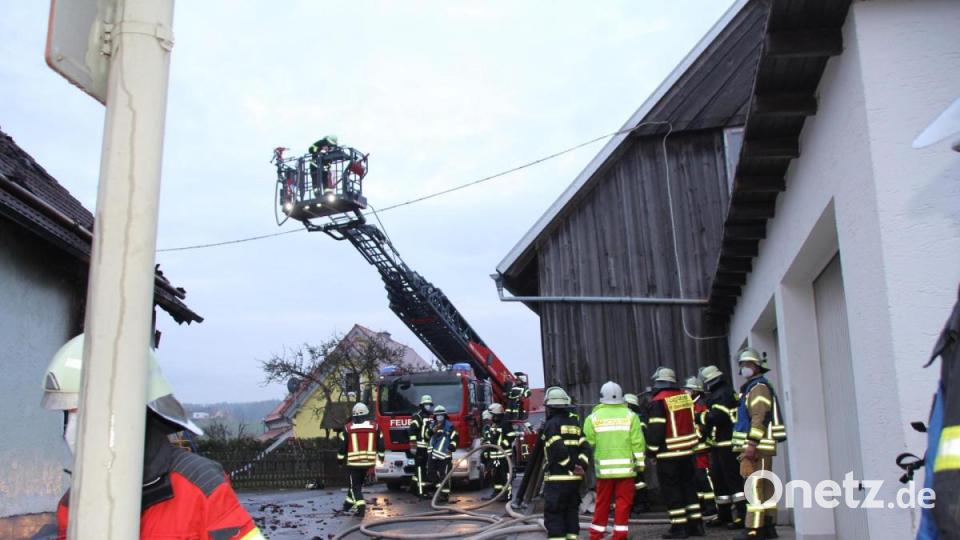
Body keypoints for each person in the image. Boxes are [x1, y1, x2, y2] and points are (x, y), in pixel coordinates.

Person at [42, 334, 264, 540]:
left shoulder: (199, 484)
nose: (74, 427)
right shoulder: (74, 503)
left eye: (88, 413)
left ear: (136, 414)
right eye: (69, 414)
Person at [732, 348, 786, 540]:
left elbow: (759, 417)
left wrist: (751, 444)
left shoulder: (758, 388)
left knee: (754, 486)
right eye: (742, 365)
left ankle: (753, 529)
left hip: (757, 446)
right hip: (760, 445)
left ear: (756, 367)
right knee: (764, 486)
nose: (744, 368)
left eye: (747, 365)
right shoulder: (755, 387)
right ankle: (768, 526)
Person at [583, 381, 646, 540]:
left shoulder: (593, 418)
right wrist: (640, 465)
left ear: (602, 397)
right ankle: (619, 536)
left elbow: (588, 442)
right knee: (623, 504)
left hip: (604, 473)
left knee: (602, 504)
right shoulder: (631, 416)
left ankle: (596, 535)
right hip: (626, 471)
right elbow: (638, 443)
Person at [647, 367, 703, 538]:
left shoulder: (659, 400)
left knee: (672, 491)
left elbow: (656, 429)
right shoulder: (684, 398)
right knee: (689, 488)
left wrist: (651, 452)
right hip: (687, 452)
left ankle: (679, 527)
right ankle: (696, 526)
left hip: (668, 454)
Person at [698, 364, 747, 529]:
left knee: (733, 480)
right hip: (719, 444)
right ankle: (724, 514)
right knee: (719, 479)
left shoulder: (723, 394)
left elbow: (718, 417)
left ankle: (742, 515)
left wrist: (701, 417)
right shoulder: (720, 393)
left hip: (728, 443)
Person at [541, 387, 590, 540]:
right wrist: (581, 466)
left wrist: (571, 466)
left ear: (549, 407)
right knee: (571, 514)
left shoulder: (551, 425)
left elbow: (557, 449)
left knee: (555, 515)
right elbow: (585, 446)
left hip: (557, 479)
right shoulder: (575, 423)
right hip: (574, 481)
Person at [337, 402, 385, 518]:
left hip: (353, 463)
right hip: (368, 463)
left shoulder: (348, 428)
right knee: (356, 485)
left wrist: (340, 461)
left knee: (355, 487)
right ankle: (347, 506)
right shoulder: (375, 426)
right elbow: (381, 444)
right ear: (367, 414)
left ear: (354, 415)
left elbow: (342, 447)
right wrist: (381, 458)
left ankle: (361, 508)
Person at [684, 376, 717, 520]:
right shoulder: (689, 405)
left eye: (689, 389)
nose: (686, 391)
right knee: (696, 480)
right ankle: (703, 506)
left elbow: (704, 427)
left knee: (704, 479)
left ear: (696, 391)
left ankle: (712, 506)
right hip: (692, 449)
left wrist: (695, 437)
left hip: (701, 449)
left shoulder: (700, 405)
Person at [482, 403, 517, 501]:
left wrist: (502, 444)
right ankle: (497, 494)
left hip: (504, 456)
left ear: (497, 414)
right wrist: (487, 445)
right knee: (496, 476)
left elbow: (511, 435)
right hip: (494, 456)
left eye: (492, 414)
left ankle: (507, 495)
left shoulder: (505, 423)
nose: (491, 417)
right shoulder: (494, 424)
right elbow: (491, 437)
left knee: (505, 476)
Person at [624, 393, 651, 515]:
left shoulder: (634, 419)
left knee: (636, 480)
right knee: (639, 480)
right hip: (638, 453)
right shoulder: (640, 418)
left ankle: (640, 504)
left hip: (633, 453)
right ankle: (643, 503)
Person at [427, 405, 459, 503]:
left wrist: (452, 446)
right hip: (432, 454)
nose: (439, 417)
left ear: (444, 415)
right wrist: (431, 431)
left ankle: (444, 495)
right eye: (437, 415)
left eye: (441, 415)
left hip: (445, 456)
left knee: (444, 475)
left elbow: (455, 438)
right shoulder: (432, 425)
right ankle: (439, 490)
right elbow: (426, 436)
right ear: (435, 416)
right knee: (431, 474)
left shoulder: (450, 426)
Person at [408, 394, 435, 498]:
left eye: (429, 404)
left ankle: (413, 488)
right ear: (422, 405)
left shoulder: (429, 417)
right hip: (419, 448)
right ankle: (421, 492)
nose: (428, 406)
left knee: (420, 469)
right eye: (426, 404)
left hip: (426, 448)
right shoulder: (418, 416)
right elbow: (412, 430)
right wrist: (413, 446)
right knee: (421, 470)